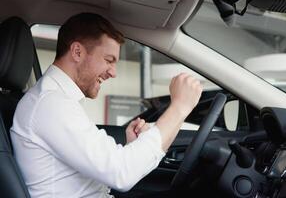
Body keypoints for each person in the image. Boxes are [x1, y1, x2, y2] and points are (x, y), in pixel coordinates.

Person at [10, 13, 202, 198]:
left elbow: (101, 170)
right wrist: (180, 107)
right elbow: (121, 173)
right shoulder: (51, 104)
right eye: (109, 60)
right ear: (77, 52)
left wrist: (130, 148)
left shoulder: (56, 100)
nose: (113, 72)